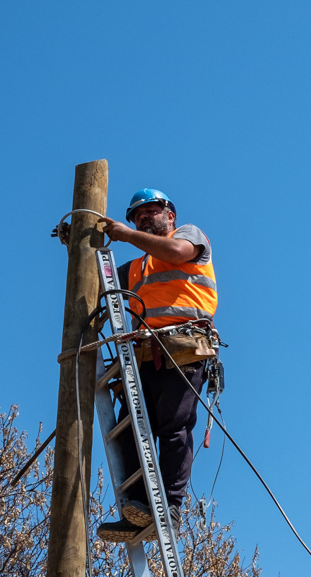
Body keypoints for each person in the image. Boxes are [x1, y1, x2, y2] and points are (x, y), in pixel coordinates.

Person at [88, 188, 219, 542]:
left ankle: (170, 510)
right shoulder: (134, 269)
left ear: (170, 215)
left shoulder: (187, 236)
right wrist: (79, 244)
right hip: (145, 355)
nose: (144, 218)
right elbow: (93, 278)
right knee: (129, 427)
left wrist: (126, 235)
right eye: (137, 216)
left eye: (151, 211)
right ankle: (138, 509)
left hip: (184, 349)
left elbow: (177, 253)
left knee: (173, 427)